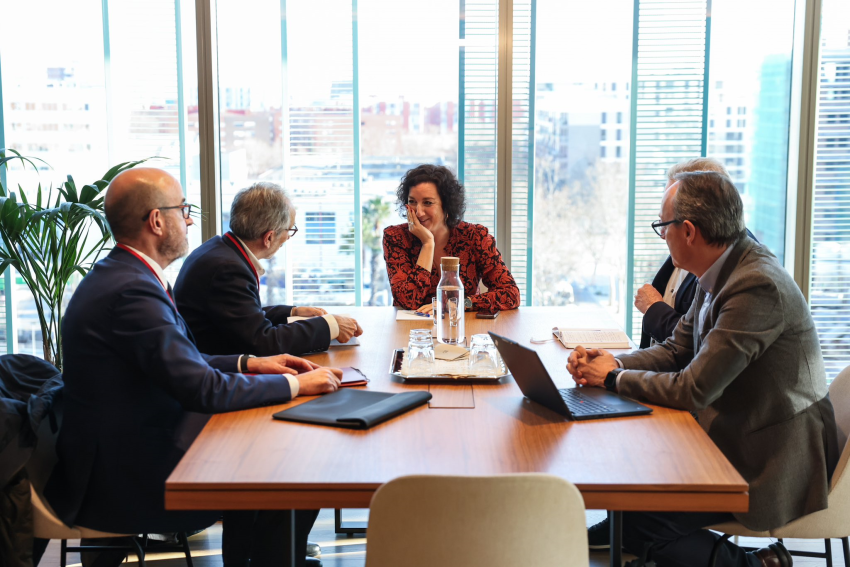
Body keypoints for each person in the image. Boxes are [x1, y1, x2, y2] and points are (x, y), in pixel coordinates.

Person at [44, 168, 341, 567]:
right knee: (291, 466)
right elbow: (202, 390)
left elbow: (181, 360)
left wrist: (251, 362)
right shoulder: (133, 290)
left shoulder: (124, 275)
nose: (188, 219)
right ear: (156, 221)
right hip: (126, 472)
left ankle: (255, 557)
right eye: (183, 209)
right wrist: (296, 386)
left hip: (124, 441)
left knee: (272, 449)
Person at [567, 171, 839, 567]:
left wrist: (612, 378)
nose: (663, 237)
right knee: (636, 484)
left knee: (646, 521)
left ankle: (756, 564)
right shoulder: (721, 266)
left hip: (772, 457)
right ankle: (625, 527)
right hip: (738, 428)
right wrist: (611, 362)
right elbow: (678, 348)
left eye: (664, 227)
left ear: (689, 231)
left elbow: (693, 389)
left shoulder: (755, 286)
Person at [174, 181, 363, 357]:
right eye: (289, 230)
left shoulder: (218, 248)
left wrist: (292, 312)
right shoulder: (228, 269)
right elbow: (264, 343)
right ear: (269, 237)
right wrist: (330, 325)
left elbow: (242, 317)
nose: (289, 237)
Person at [383, 164, 520, 312]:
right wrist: (428, 244)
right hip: (412, 331)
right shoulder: (395, 237)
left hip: (462, 327)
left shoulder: (475, 237)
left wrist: (458, 304)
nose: (418, 212)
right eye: (412, 202)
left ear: (447, 206)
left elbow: (511, 294)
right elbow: (407, 302)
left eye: (428, 203)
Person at [636, 158, 730, 349]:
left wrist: (654, 309)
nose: (663, 235)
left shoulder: (730, 267)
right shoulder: (684, 253)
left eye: (667, 221)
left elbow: (693, 346)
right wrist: (619, 367)